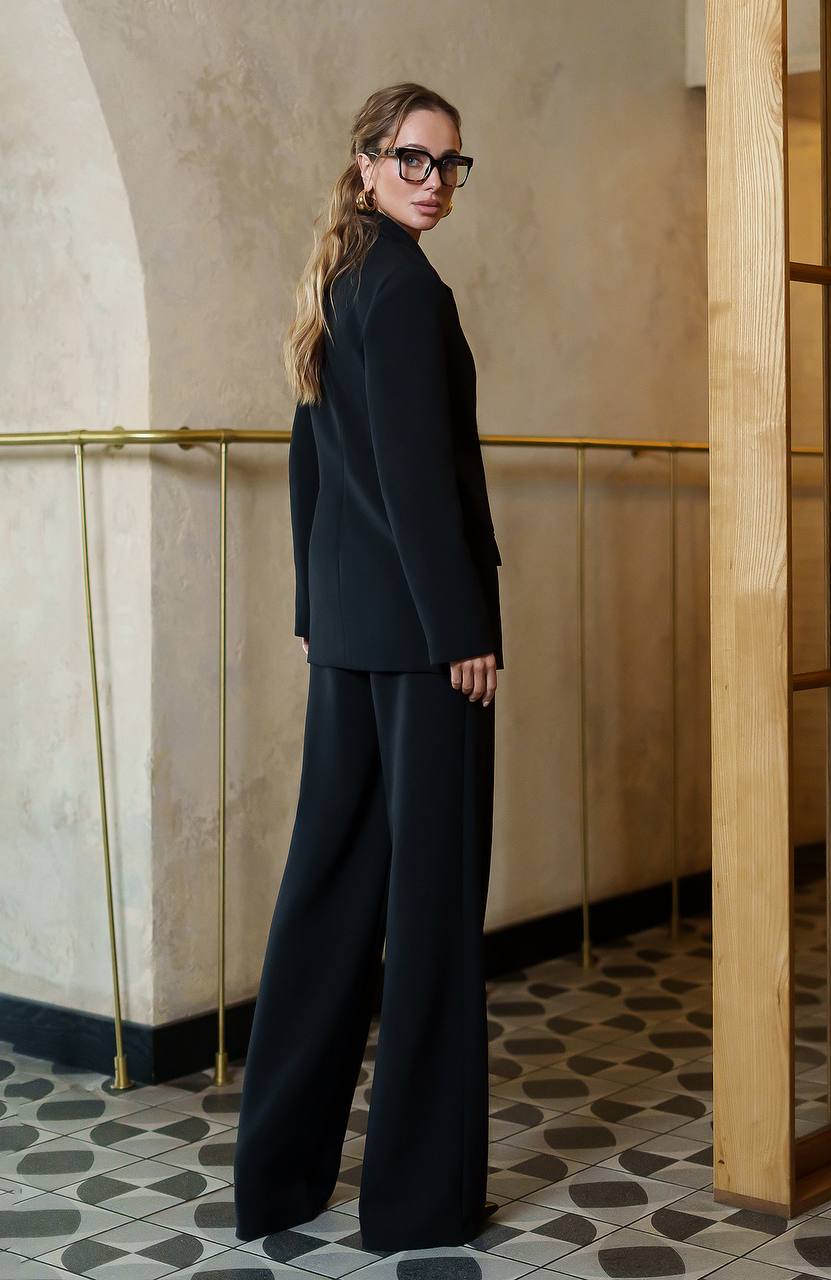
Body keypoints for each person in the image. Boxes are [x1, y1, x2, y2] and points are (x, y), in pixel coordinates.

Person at [232, 82, 502, 1252]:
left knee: (328, 895)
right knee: (431, 912)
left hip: (348, 636)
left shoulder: (339, 285)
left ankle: (277, 1180)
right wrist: (461, 632)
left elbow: (311, 464)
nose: (432, 180)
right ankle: (415, 1202)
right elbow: (409, 479)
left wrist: (310, 609)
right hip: (419, 647)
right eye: (412, 159)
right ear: (365, 165)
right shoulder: (400, 289)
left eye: (449, 164)